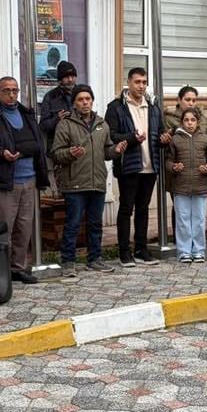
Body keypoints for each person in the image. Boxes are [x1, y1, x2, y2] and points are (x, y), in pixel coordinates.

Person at [0, 76, 49, 285]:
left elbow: (38, 144)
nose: (11, 94)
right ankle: (0, 270)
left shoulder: (26, 114)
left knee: (24, 227)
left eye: (15, 90)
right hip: (6, 182)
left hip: (29, 179)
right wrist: (1, 153)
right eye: (6, 90)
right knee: (3, 228)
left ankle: (17, 268)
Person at [51, 84, 127, 279]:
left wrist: (116, 150)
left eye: (88, 99)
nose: (85, 102)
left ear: (92, 101)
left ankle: (95, 259)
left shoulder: (102, 124)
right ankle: (68, 262)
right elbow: (56, 153)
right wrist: (70, 153)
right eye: (80, 99)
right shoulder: (65, 124)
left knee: (95, 224)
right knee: (73, 224)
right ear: (74, 103)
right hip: (74, 182)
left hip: (97, 181)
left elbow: (107, 151)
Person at [105, 68, 164, 267]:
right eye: (137, 82)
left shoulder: (153, 107)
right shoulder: (116, 107)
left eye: (144, 82)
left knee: (143, 209)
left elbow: (160, 132)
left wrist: (165, 139)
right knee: (126, 208)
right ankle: (124, 252)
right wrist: (131, 138)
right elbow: (110, 135)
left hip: (150, 165)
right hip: (129, 165)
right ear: (128, 82)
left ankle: (141, 249)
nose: (141, 86)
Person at [166, 108, 207, 263]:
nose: (189, 123)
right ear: (182, 122)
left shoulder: (206, 139)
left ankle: (199, 250)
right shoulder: (175, 140)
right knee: (183, 219)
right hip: (181, 187)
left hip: (200, 186)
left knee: (199, 219)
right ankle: (184, 251)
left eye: (193, 120)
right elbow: (168, 161)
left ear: (198, 121)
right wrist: (174, 167)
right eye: (186, 120)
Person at [38, 60, 79, 149]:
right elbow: (43, 126)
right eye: (67, 77)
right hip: (58, 148)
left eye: (72, 76)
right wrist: (57, 119)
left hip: (80, 146)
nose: (70, 80)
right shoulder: (50, 97)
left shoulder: (82, 94)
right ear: (60, 80)